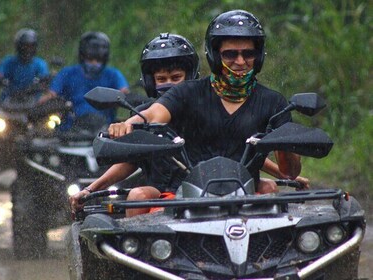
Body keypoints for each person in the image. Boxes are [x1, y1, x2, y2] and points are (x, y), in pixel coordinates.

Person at [106, 10, 304, 198]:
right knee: (139, 203)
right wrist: (128, 123)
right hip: (186, 198)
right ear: (215, 56)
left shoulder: (274, 103)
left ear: (259, 56)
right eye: (230, 54)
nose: (240, 61)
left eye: (248, 53)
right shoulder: (188, 92)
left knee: (272, 193)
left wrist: (286, 143)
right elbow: (154, 113)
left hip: (247, 201)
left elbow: (290, 172)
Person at [69, 33, 199, 216]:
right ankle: (138, 244)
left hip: (206, 190)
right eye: (161, 79)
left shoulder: (206, 106)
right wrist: (90, 190)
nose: (169, 85)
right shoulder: (142, 116)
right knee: (137, 195)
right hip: (161, 194)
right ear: (150, 82)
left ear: (190, 76)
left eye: (176, 77)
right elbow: (130, 161)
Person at [39, 31, 129, 126]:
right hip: (70, 129)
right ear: (83, 56)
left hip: (104, 128)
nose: (94, 63)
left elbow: (124, 93)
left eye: (98, 60)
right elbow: (51, 94)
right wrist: (40, 104)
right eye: (90, 59)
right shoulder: (67, 73)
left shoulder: (113, 75)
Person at [0, 28, 49, 102]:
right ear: (18, 46)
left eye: (31, 46)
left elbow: (44, 78)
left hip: (34, 103)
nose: (28, 50)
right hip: (9, 101)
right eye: (25, 46)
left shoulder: (40, 64)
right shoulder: (9, 62)